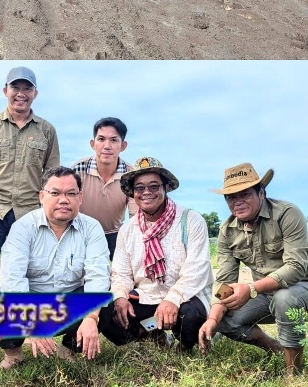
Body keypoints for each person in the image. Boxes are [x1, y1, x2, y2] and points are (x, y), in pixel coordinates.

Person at [0, 166, 109, 368]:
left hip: (68, 303)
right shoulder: (23, 227)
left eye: (71, 193)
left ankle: (68, 349)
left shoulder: (92, 228)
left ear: (80, 198)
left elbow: (98, 275)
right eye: (55, 193)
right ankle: (13, 354)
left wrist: (92, 317)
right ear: (41, 196)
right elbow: (13, 278)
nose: (63, 199)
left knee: (102, 300)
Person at [200, 163, 307, 375]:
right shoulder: (227, 229)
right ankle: (276, 348)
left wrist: (250, 288)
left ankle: (293, 373)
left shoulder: (287, 213)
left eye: (245, 194)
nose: (237, 202)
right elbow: (224, 280)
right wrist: (212, 318)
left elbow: (296, 267)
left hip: (301, 287)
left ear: (261, 192)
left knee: (285, 298)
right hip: (265, 292)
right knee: (224, 317)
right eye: (231, 197)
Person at [95, 158, 212, 352]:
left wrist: (173, 299)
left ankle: (185, 345)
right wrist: (121, 297)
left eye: (154, 186)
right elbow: (121, 273)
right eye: (139, 188)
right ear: (133, 193)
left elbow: (197, 270)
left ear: (165, 187)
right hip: (147, 296)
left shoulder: (190, 220)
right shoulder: (128, 229)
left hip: (185, 297)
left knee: (191, 316)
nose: (146, 192)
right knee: (108, 312)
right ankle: (152, 336)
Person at [0, 66, 60, 288]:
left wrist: (50, 213)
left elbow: (52, 177)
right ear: (5, 90)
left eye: (27, 88)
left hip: (30, 213)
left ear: (35, 93)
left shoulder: (47, 131)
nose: (21, 93)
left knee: (30, 271)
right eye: (15, 87)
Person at [72, 117, 134, 255]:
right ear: (93, 144)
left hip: (115, 235)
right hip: (81, 232)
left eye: (113, 140)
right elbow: (68, 206)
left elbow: (136, 216)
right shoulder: (78, 169)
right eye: (101, 139)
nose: (107, 146)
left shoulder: (132, 174)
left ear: (123, 146)